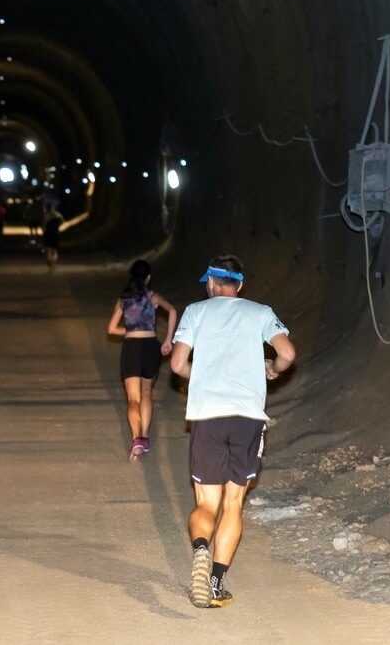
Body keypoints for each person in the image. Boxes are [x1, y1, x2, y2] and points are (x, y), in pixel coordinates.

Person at [169, 255, 296, 609]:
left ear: (211, 284)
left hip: (208, 414)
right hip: (247, 417)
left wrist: (207, 376)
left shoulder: (195, 311)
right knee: (233, 503)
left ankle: (199, 550)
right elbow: (288, 352)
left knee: (206, 503)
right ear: (239, 285)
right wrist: (273, 369)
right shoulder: (260, 312)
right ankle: (215, 582)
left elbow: (177, 364)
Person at [106, 259, 178, 460]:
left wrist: (129, 331)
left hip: (132, 347)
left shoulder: (124, 299)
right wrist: (168, 341)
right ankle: (144, 436)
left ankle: (136, 438)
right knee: (147, 392)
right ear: (148, 278)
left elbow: (111, 329)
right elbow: (172, 310)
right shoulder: (152, 296)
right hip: (150, 347)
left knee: (133, 398)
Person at [42, 206, 63, 271]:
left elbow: (43, 224)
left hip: (48, 233)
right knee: (55, 249)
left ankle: (50, 262)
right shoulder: (58, 215)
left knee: (48, 249)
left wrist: (44, 230)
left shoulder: (46, 215)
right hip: (55, 233)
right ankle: (53, 260)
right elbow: (62, 221)